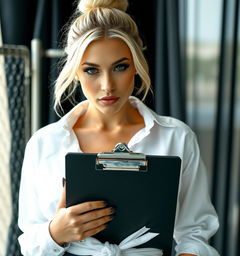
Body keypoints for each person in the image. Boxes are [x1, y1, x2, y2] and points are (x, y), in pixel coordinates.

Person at [18, 0, 220, 255]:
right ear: (76, 72)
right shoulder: (45, 143)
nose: (107, 85)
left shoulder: (176, 137)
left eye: (120, 67)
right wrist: (55, 233)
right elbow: (29, 243)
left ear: (137, 64)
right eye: (91, 70)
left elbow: (195, 232)